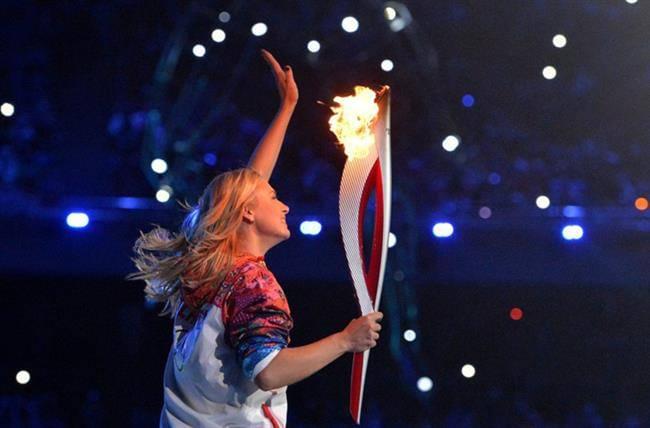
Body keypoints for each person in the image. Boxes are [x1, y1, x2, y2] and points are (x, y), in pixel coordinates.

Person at [128, 50, 383, 427]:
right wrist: (345, 340)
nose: (285, 207)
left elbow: (248, 187)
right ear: (246, 213)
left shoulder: (205, 271)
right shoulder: (252, 283)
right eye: (275, 198)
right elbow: (269, 372)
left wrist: (288, 107)